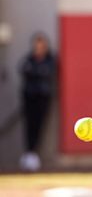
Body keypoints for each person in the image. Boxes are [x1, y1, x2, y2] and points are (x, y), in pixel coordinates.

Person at [19, 32, 56, 172]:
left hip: (43, 98)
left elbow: (47, 72)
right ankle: (29, 155)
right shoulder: (29, 58)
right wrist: (37, 72)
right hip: (29, 98)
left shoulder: (49, 59)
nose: (39, 48)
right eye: (37, 45)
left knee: (40, 127)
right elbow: (23, 69)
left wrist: (36, 72)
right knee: (30, 127)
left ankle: (34, 156)